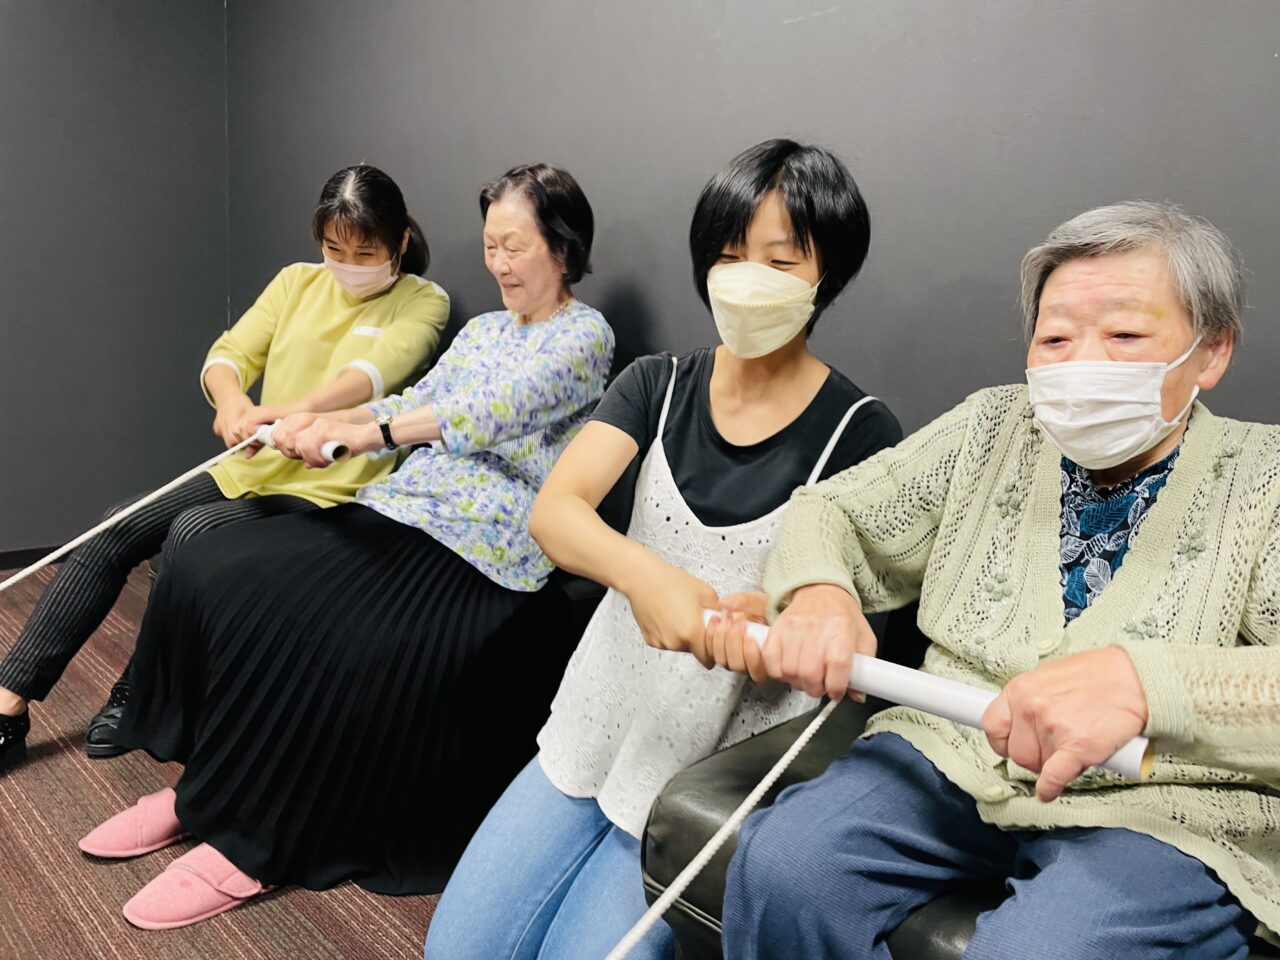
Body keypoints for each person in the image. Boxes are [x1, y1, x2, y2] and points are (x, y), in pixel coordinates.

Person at [719, 201, 1279, 959]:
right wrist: (821, 592)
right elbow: (833, 510)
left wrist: (1150, 686)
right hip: (953, 746)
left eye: (1124, 336)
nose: (1081, 363)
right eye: (1055, 338)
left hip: (1162, 803)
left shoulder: (1265, 479)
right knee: (783, 868)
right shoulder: (992, 427)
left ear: (1210, 352)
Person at [73, 162, 614, 930]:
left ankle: (255, 842)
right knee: (233, 575)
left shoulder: (585, 335)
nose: (498, 263)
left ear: (562, 247)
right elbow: (416, 397)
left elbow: (492, 412)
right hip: (404, 508)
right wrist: (318, 427)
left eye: (515, 246)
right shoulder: (484, 330)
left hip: (484, 545)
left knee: (335, 630)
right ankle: (206, 795)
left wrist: (369, 431)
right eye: (490, 245)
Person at [426, 139, 903, 960]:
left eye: (780, 260)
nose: (746, 279)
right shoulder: (658, 382)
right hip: (597, 719)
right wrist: (647, 577)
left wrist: (781, 629)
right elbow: (558, 512)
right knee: (456, 950)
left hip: (704, 777)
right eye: (729, 254)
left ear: (828, 272)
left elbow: (849, 629)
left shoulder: (860, 433)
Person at [0, 163, 449, 770]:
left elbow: (371, 375)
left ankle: (138, 691)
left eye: (364, 252)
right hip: (254, 469)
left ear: (400, 240)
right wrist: (233, 401)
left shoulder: (423, 301)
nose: (347, 265)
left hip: (335, 489)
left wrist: (282, 412)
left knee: (191, 535)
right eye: (333, 249)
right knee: (115, 526)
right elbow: (229, 354)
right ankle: (8, 705)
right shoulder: (296, 283)